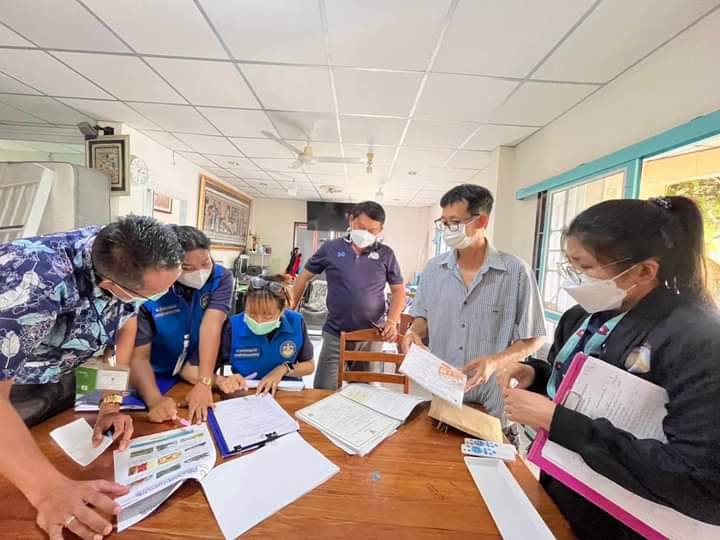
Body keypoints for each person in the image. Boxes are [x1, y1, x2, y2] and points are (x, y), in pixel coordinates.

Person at [498, 196, 720, 538]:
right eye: (569, 265)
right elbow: (580, 386)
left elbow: (701, 478)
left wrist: (555, 420)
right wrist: (538, 375)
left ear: (645, 270)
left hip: (629, 517)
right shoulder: (581, 317)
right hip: (566, 486)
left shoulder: (696, 337)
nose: (574, 280)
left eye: (585, 268)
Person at [0, 216, 183, 540]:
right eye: (154, 294)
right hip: (14, 387)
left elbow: (125, 323)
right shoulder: (33, 282)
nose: (163, 297)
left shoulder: (123, 251)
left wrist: (111, 402)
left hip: (57, 373)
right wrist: (46, 490)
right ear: (112, 286)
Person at [401, 184, 545, 418]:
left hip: (494, 397)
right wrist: (413, 332)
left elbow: (535, 338)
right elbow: (423, 316)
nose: (447, 229)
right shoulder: (434, 269)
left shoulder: (516, 272)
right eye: (444, 222)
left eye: (455, 223)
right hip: (443, 389)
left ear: (481, 222)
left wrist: (495, 362)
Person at [291, 201, 406, 390]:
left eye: (372, 230)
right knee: (324, 390)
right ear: (351, 221)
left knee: (364, 393)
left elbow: (398, 290)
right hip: (336, 333)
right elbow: (303, 277)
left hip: (371, 334)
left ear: (380, 230)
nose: (366, 234)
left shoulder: (386, 254)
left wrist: (392, 321)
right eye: (361, 228)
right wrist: (290, 312)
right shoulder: (331, 248)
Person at [130, 226, 235, 424]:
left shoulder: (221, 278)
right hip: (155, 376)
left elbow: (211, 326)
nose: (200, 273)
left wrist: (205, 381)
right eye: (188, 269)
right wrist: (154, 400)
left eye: (205, 263)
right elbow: (138, 356)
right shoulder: (152, 287)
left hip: (196, 369)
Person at [215, 275, 314, 396]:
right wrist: (223, 380)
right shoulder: (232, 326)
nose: (259, 321)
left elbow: (309, 366)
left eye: (267, 316)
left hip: (285, 394)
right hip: (245, 393)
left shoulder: (296, 322)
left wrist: (283, 369)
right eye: (252, 314)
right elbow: (206, 372)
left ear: (283, 309)